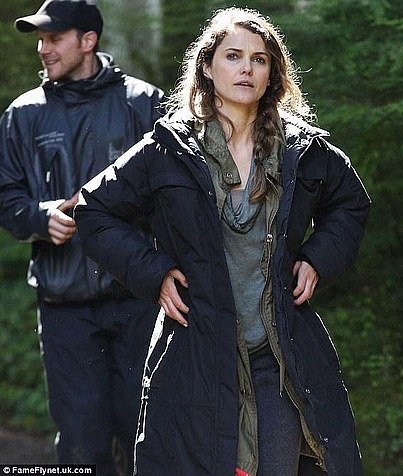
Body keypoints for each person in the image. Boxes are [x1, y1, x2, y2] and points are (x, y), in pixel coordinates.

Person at [76, 7, 370, 476]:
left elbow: (351, 204)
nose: (246, 68)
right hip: (195, 358)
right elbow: (94, 210)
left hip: (278, 358)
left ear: (272, 74)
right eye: (233, 56)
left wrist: (318, 258)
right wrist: (153, 274)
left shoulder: (302, 149)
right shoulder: (168, 148)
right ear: (208, 67)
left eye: (259, 59)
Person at [0, 1, 165, 474]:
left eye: (53, 38)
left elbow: (177, 196)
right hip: (64, 307)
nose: (42, 49)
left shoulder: (145, 104)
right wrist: (39, 218)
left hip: (140, 301)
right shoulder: (22, 115)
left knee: (145, 437)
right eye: (40, 40)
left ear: (88, 41)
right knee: (81, 446)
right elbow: (6, 195)